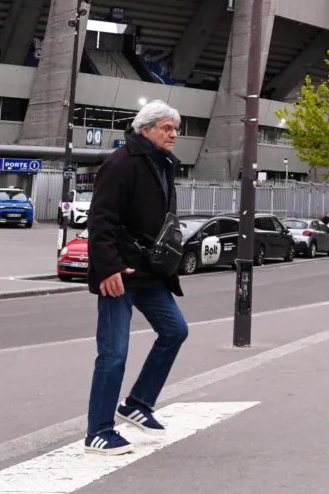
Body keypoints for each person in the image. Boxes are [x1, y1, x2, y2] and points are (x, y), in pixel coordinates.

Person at [84, 100, 190, 455]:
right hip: (120, 272)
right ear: (145, 130)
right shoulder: (120, 163)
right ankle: (98, 431)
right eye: (165, 128)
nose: (173, 133)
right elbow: (100, 219)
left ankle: (138, 404)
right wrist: (107, 267)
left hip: (149, 272)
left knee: (175, 330)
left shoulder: (162, 165)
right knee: (113, 353)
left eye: (175, 128)